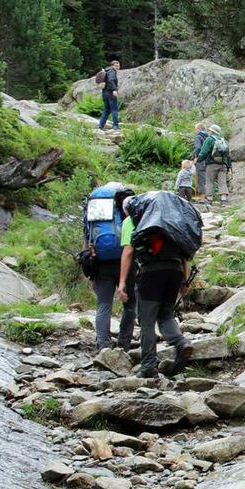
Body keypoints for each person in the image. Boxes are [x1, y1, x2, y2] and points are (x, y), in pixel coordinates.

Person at [117, 198, 194, 378]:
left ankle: (148, 366)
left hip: (151, 272)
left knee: (147, 319)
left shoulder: (133, 220)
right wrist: (183, 280)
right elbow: (183, 255)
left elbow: (128, 251)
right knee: (165, 314)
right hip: (174, 270)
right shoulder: (168, 220)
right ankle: (182, 343)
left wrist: (121, 283)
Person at [87, 198, 136, 351]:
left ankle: (103, 346)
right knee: (129, 305)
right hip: (126, 264)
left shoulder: (95, 213)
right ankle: (124, 343)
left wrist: (91, 271)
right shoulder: (129, 212)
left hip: (102, 264)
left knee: (103, 305)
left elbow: (88, 242)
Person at [197, 124, 231, 206]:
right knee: (222, 182)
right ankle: (223, 201)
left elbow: (204, 152)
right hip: (223, 165)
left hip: (211, 164)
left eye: (209, 130)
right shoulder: (223, 140)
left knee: (209, 182)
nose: (208, 132)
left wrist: (198, 160)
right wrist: (228, 166)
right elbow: (228, 155)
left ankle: (209, 200)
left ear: (212, 131)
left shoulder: (209, 139)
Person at [98, 60, 120, 130]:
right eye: (116, 65)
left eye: (118, 65)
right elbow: (111, 80)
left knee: (106, 110)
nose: (117, 67)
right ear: (112, 66)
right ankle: (115, 126)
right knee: (114, 109)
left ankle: (101, 125)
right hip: (110, 93)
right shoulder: (111, 72)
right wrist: (114, 90)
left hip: (105, 93)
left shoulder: (106, 71)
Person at [190, 123, 208, 198]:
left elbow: (198, 148)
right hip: (209, 161)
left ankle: (202, 199)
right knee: (207, 180)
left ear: (199, 129)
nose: (195, 130)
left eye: (195, 129)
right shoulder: (208, 137)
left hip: (201, 160)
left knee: (201, 179)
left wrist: (192, 156)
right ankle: (209, 198)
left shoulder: (198, 137)